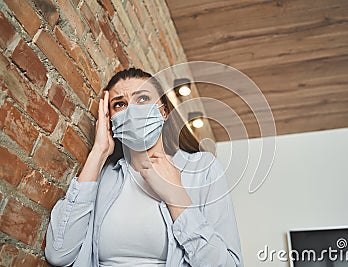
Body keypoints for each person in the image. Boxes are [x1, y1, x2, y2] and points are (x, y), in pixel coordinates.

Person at [44, 67, 243, 267]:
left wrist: (176, 198)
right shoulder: (102, 177)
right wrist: (99, 151)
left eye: (142, 99)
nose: (131, 111)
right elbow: (59, 254)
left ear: (163, 111)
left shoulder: (203, 169)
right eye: (120, 104)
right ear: (110, 119)